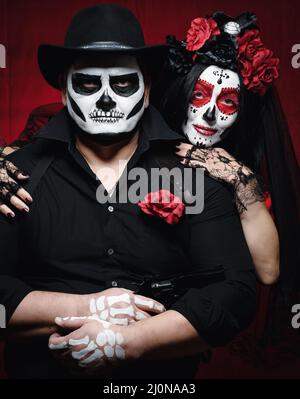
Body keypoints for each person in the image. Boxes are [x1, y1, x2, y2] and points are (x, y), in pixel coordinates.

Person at [0, 4, 256, 379]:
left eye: (123, 84)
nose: (105, 99)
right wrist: (93, 307)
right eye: (88, 83)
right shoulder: (13, 174)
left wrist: (128, 342)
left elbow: (235, 294)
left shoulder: (196, 170)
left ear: (147, 87)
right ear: (63, 89)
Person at [158, 12, 300, 325]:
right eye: (199, 95)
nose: (209, 113)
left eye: (228, 103)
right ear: (181, 94)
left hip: (192, 326)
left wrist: (238, 177)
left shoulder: (234, 173)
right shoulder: (142, 145)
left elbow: (269, 270)